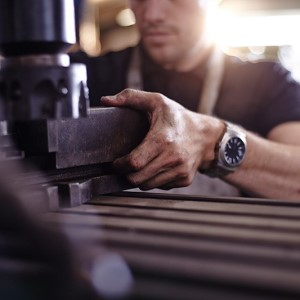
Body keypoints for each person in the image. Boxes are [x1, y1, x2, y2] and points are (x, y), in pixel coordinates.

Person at [71, 0, 300, 200]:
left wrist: (214, 143)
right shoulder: (86, 75)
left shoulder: (267, 83)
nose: (152, 15)